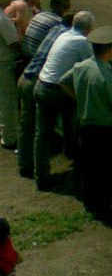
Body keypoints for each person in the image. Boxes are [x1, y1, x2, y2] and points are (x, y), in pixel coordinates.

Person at [59, 26, 112, 222]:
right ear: (110, 49)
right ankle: (104, 208)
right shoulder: (107, 75)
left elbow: (63, 82)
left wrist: (80, 99)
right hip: (104, 129)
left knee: (88, 167)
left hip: (85, 124)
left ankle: (89, 203)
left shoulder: (81, 67)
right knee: (106, 170)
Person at [33, 9, 94, 188]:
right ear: (89, 28)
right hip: (59, 91)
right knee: (71, 125)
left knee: (42, 134)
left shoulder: (63, 35)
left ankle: (41, 176)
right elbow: (91, 66)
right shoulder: (82, 43)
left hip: (42, 84)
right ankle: (76, 161)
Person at [16, 12, 74, 179]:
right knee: (43, 131)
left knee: (27, 126)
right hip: (38, 81)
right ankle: (42, 173)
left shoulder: (55, 29)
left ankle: (24, 165)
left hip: (26, 76)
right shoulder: (69, 39)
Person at [0, 0, 21, 154]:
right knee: (8, 101)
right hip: (3, 63)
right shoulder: (3, 20)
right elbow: (14, 44)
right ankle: (9, 138)